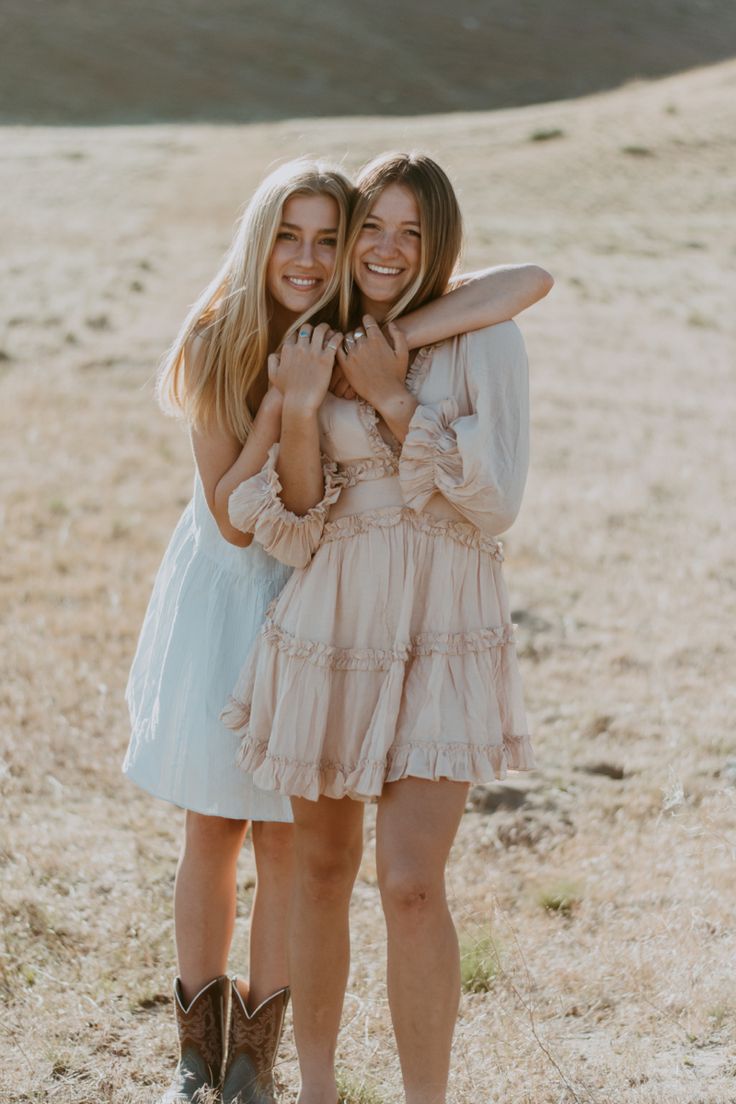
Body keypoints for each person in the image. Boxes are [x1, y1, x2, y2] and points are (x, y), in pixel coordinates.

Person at [124, 154, 550, 1104]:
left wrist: (390, 373)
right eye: (370, 231)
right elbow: (260, 515)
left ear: (438, 240)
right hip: (295, 608)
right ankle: (250, 1072)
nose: (378, 250)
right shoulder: (276, 340)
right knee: (272, 850)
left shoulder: (446, 334)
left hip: (423, 618)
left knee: (388, 876)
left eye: (406, 232)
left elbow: (499, 487)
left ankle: (349, 1082)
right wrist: (301, 402)